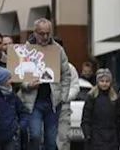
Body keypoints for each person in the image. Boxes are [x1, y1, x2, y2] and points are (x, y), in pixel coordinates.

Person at [19, 20, 74, 150]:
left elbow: (66, 74)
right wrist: (27, 85)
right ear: (35, 32)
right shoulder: (24, 50)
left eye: (47, 34)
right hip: (33, 102)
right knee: (35, 135)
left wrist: (63, 96)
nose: (45, 37)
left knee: (50, 140)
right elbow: (17, 75)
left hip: (52, 102)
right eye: (41, 33)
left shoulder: (58, 50)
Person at [80, 70, 120, 150]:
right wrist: (87, 134)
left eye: (107, 81)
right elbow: (86, 118)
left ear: (110, 82)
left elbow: (119, 120)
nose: (104, 83)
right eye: (102, 81)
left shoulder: (114, 99)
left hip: (112, 138)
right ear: (97, 82)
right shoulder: (92, 97)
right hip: (95, 137)